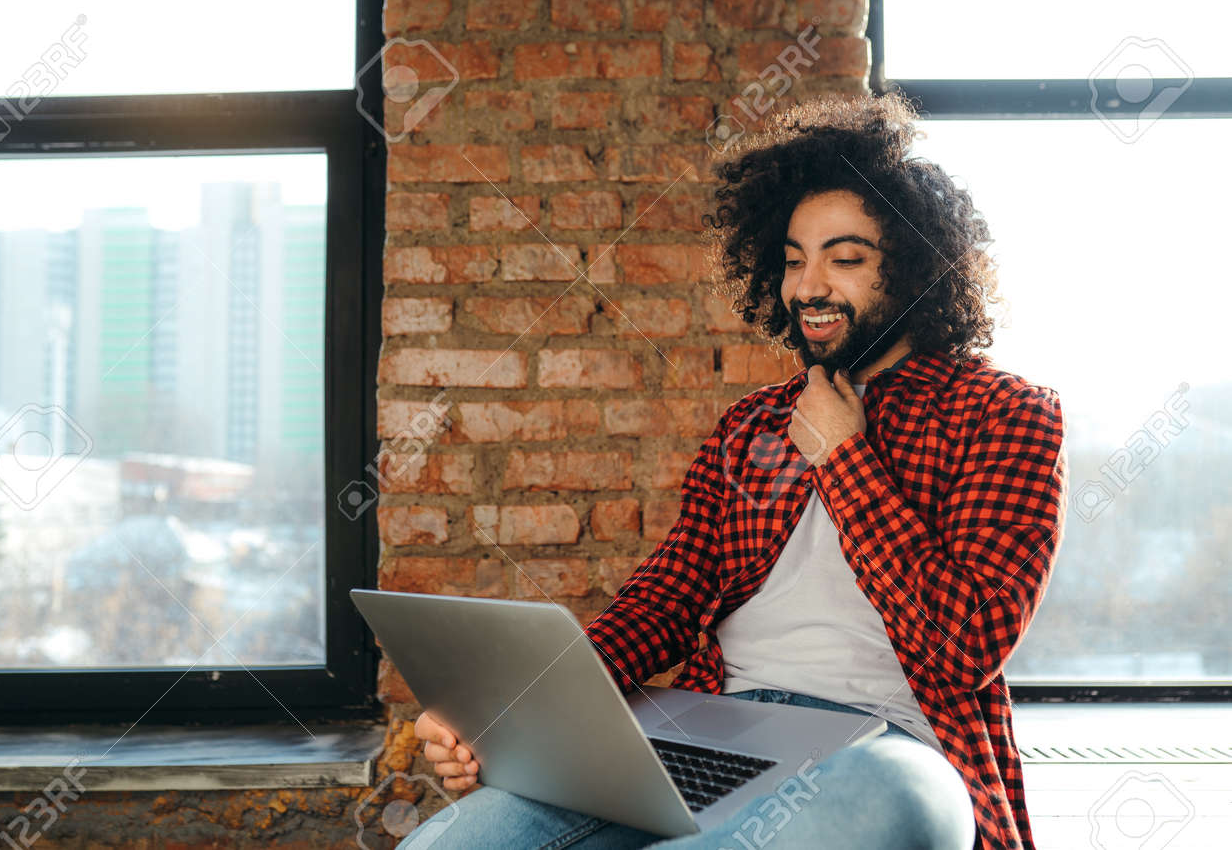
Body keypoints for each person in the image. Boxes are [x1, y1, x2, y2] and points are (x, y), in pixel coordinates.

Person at [402, 90, 1067, 850]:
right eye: (792, 261)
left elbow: (965, 646)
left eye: (845, 259)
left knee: (896, 804)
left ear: (916, 265)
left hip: (890, 748)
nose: (808, 287)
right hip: (711, 734)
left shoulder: (1006, 414)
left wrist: (845, 457)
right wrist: (517, 711)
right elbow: (663, 600)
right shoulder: (750, 424)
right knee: (447, 842)